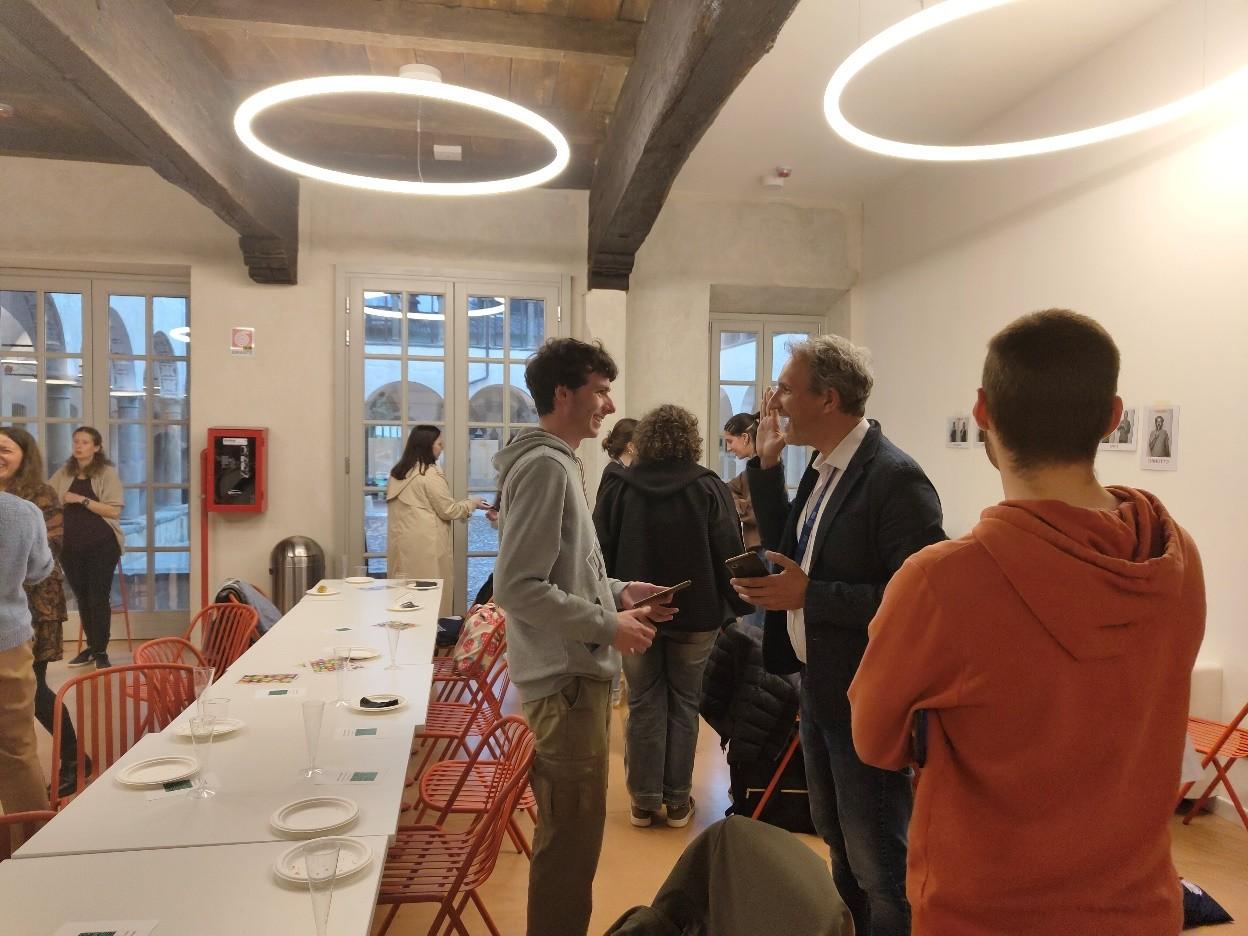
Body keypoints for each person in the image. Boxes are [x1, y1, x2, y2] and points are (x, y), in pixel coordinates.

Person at [849, 310, 1205, 936]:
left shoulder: (941, 582)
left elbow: (875, 740)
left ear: (983, 411)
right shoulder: (1175, 556)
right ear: (1113, 417)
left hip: (985, 912)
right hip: (1139, 908)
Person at [731, 335, 945, 936]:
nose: (775, 402)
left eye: (786, 389)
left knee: (879, 860)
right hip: (820, 686)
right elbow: (791, 547)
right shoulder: (826, 467)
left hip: (866, 697)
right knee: (839, 842)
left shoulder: (894, 478)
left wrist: (812, 597)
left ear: (828, 398)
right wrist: (765, 467)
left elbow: (919, 602)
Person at [492, 337, 675, 936]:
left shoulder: (560, 462)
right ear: (563, 394)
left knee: (574, 841)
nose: (609, 404)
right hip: (566, 682)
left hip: (571, 677)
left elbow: (567, 569)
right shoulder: (546, 467)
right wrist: (608, 625)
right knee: (570, 848)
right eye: (599, 391)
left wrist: (617, 591)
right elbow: (518, 587)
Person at [594, 404, 751, 829]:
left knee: (643, 701)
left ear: (643, 440)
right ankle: (678, 801)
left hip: (635, 613)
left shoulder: (619, 486)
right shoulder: (708, 486)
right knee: (684, 703)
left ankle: (643, 803)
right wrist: (738, 607)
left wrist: (608, 602)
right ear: (691, 441)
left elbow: (598, 552)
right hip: (696, 615)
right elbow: (729, 552)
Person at [0, 428, 80, 797]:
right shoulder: (18, 508)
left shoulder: (37, 497)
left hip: (37, 608)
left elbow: (51, 551)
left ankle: (74, 758)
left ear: (24, 455)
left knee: (36, 692)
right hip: (15, 610)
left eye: (5, 449)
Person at [386, 424, 488, 618]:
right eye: (439, 444)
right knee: (430, 601)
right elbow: (449, 510)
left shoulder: (398, 473)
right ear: (427, 445)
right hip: (427, 548)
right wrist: (472, 503)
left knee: (403, 598)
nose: (442, 448)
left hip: (402, 546)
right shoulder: (429, 474)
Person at [48, 426, 124, 670]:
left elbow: (113, 510)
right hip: (70, 547)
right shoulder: (64, 472)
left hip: (102, 545)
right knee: (82, 597)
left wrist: (81, 499)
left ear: (96, 447)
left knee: (98, 597)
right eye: (76, 441)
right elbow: (48, 496)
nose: (79, 446)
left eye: (84, 442)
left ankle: (101, 651)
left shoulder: (106, 473)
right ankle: (92, 647)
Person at [0, 489, 54, 814]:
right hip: (7, 642)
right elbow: (39, 570)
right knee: (18, 751)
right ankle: (29, 838)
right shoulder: (21, 511)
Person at [722, 413, 761, 550]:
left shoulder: (764, 468)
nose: (728, 448)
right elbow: (724, 490)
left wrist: (736, 505)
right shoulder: (748, 472)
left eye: (730, 441)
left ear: (745, 438)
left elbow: (758, 512)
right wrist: (741, 503)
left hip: (764, 549)